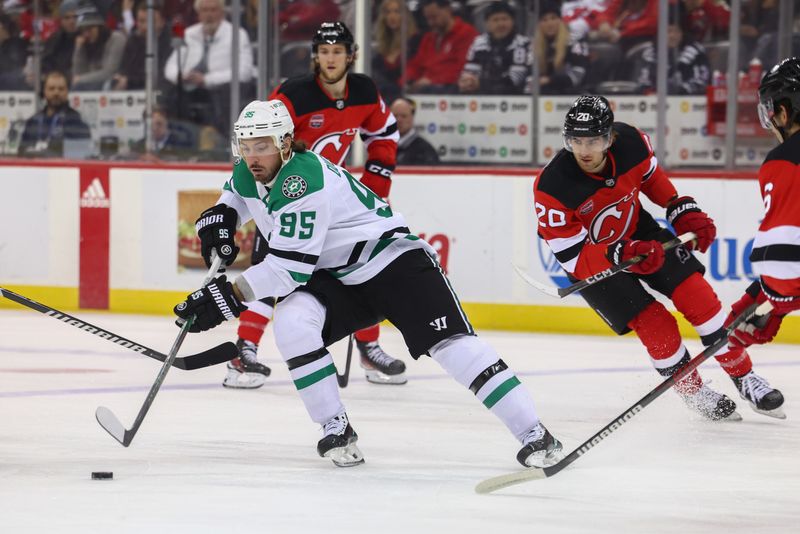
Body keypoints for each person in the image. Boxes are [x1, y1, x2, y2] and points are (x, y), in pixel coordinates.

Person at [172, 99, 564, 469]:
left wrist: (226, 298)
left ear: (286, 142)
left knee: (450, 347)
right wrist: (221, 215)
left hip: (394, 262)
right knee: (293, 324)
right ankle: (335, 429)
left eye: (261, 145)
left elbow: (287, 270)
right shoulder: (250, 168)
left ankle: (536, 434)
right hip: (339, 276)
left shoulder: (303, 182)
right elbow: (239, 193)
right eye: (245, 145)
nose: (252, 155)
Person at [534, 95, 785, 420]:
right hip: (593, 263)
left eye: (594, 140)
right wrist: (620, 252)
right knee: (656, 325)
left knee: (699, 298)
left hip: (639, 232)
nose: (585, 150)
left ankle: (744, 376)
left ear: (609, 137)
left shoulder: (632, 145)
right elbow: (572, 258)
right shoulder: (552, 186)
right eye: (576, 141)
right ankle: (694, 393)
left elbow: (650, 179)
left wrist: (679, 207)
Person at [220, 21, 406, 389]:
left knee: (358, 267)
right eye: (324, 51)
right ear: (315, 56)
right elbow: (258, 140)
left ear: (350, 55)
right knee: (269, 268)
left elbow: (384, 134)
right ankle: (245, 351)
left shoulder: (365, 90)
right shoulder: (293, 94)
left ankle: (369, 347)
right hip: (286, 199)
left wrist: (375, 185)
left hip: (334, 205)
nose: (331, 58)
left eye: (338, 51)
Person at [724, 58, 800, 413]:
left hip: (787, 280)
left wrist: (774, 302)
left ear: (784, 112)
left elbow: (783, 263)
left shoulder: (782, 160)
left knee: (732, 330)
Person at [163, 0, 254, 135]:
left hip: (221, 90)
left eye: (213, 10)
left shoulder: (237, 35)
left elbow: (245, 71)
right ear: (198, 14)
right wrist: (181, 76)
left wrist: (207, 79)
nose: (209, 15)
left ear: (222, 13)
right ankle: (177, 140)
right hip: (191, 88)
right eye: (205, 10)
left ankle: (222, 143)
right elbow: (170, 67)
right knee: (171, 94)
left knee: (224, 96)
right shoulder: (189, 34)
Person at [458, 1, 531, 95]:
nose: (501, 24)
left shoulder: (522, 43)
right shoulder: (478, 43)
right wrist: (467, 81)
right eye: (495, 20)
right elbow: (470, 71)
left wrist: (482, 83)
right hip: (481, 97)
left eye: (505, 19)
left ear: (513, 21)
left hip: (514, 99)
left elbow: (515, 79)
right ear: (487, 24)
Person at [405, 0, 478, 94]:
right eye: (428, 19)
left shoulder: (466, 33)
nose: (431, 23)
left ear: (448, 10)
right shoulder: (428, 38)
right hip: (425, 90)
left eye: (434, 17)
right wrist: (408, 80)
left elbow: (462, 69)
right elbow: (416, 65)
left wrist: (432, 81)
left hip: (452, 92)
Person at [17, 70, 91, 158]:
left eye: (61, 89)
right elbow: (22, 153)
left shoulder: (77, 122)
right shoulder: (33, 121)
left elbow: (82, 155)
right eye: (51, 88)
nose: (56, 93)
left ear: (67, 92)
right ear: (44, 91)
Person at [533, 0, 590, 95]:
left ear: (560, 20)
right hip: (545, 96)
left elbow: (578, 75)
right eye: (544, 20)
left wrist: (550, 80)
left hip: (574, 95)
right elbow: (530, 77)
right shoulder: (534, 45)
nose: (549, 23)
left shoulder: (575, 41)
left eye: (553, 18)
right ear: (539, 24)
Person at [112, 2, 172, 90]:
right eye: (141, 21)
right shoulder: (133, 40)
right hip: (130, 90)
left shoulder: (169, 42)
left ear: (162, 22)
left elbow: (160, 75)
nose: (144, 26)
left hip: (159, 91)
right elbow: (123, 69)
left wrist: (129, 80)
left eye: (151, 22)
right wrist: (119, 77)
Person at [372, 0, 421, 104]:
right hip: (382, 96)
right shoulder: (382, 48)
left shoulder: (414, 42)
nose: (392, 16)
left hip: (403, 95)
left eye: (396, 11)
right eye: (388, 12)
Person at [70, 7, 127, 90]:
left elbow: (109, 73)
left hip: (113, 88)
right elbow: (77, 74)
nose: (86, 34)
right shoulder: (86, 43)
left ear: (100, 28)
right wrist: (79, 49)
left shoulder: (116, 39)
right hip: (91, 87)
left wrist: (81, 79)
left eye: (89, 29)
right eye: (83, 30)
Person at [391, 96, 440, 165]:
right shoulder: (382, 145)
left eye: (404, 116)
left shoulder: (425, 150)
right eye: (395, 116)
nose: (399, 120)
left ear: (412, 117)